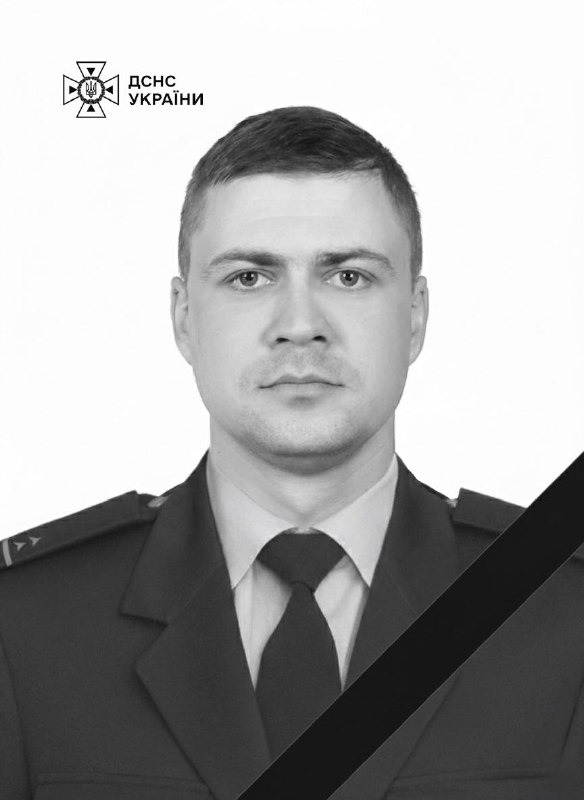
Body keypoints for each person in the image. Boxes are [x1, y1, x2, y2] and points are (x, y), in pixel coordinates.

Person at [1, 106, 583, 800]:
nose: (301, 325)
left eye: (349, 276)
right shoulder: (27, 624)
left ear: (415, 315)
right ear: (184, 318)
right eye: (250, 277)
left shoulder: (561, 607)